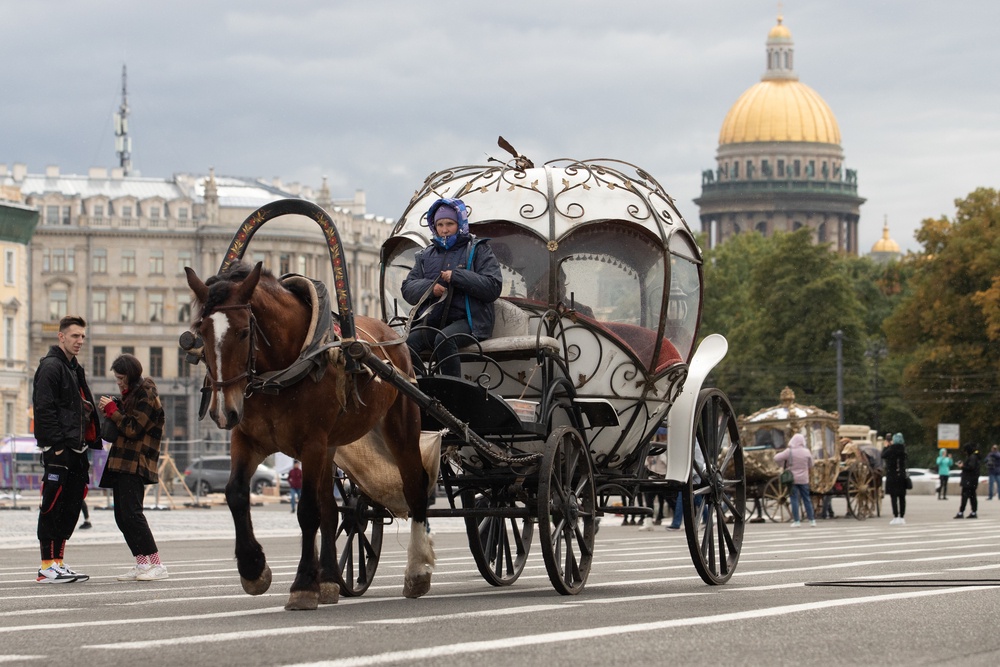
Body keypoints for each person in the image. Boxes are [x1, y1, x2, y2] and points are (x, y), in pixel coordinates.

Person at [32, 315, 102, 583]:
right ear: (61, 337)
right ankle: (46, 565)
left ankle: (58, 562)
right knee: (53, 504)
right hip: (60, 450)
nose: (80, 341)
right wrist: (57, 446)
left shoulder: (74, 368)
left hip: (78, 449)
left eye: (82, 336)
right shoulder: (51, 366)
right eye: (74, 336)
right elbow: (44, 408)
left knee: (71, 506)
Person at [402, 198, 503, 377]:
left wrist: (457, 276)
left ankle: (452, 392)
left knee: (444, 339)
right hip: (434, 322)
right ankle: (419, 390)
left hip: (470, 322)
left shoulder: (479, 250)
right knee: (408, 343)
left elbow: (493, 287)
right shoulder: (426, 255)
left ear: (461, 223)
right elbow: (408, 289)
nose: (444, 229)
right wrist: (431, 289)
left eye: (450, 223)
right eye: (440, 224)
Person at [98, 353, 169, 581]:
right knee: (121, 516)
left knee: (133, 514)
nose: (118, 382)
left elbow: (132, 429)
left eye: (121, 378)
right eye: (116, 378)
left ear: (131, 375)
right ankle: (141, 563)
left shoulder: (147, 394)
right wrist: (116, 406)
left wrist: (112, 410)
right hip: (121, 461)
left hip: (136, 462)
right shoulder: (131, 395)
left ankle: (157, 564)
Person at [774, 433, 815, 527]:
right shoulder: (807, 451)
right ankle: (812, 520)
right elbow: (811, 464)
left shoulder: (789, 451)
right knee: (807, 499)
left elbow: (776, 458)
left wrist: (783, 465)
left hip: (792, 479)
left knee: (794, 499)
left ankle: (797, 521)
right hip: (804, 479)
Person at [882, 432, 908, 525]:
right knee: (902, 497)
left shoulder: (891, 449)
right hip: (901, 475)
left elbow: (883, 455)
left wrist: (887, 446)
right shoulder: (903, 450)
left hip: (892, 475)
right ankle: (902, 517)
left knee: (893, 497)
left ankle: (896, 516)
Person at [955, 443, 982, 519]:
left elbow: (970, 467)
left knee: (965, 496)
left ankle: (961, 512)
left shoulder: (972, 457)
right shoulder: (975, 457)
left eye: (965, 451)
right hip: (973, 481)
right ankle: (974, 512)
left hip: (968, 481)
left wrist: (962, 466)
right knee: (973, 497)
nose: (965, 452)